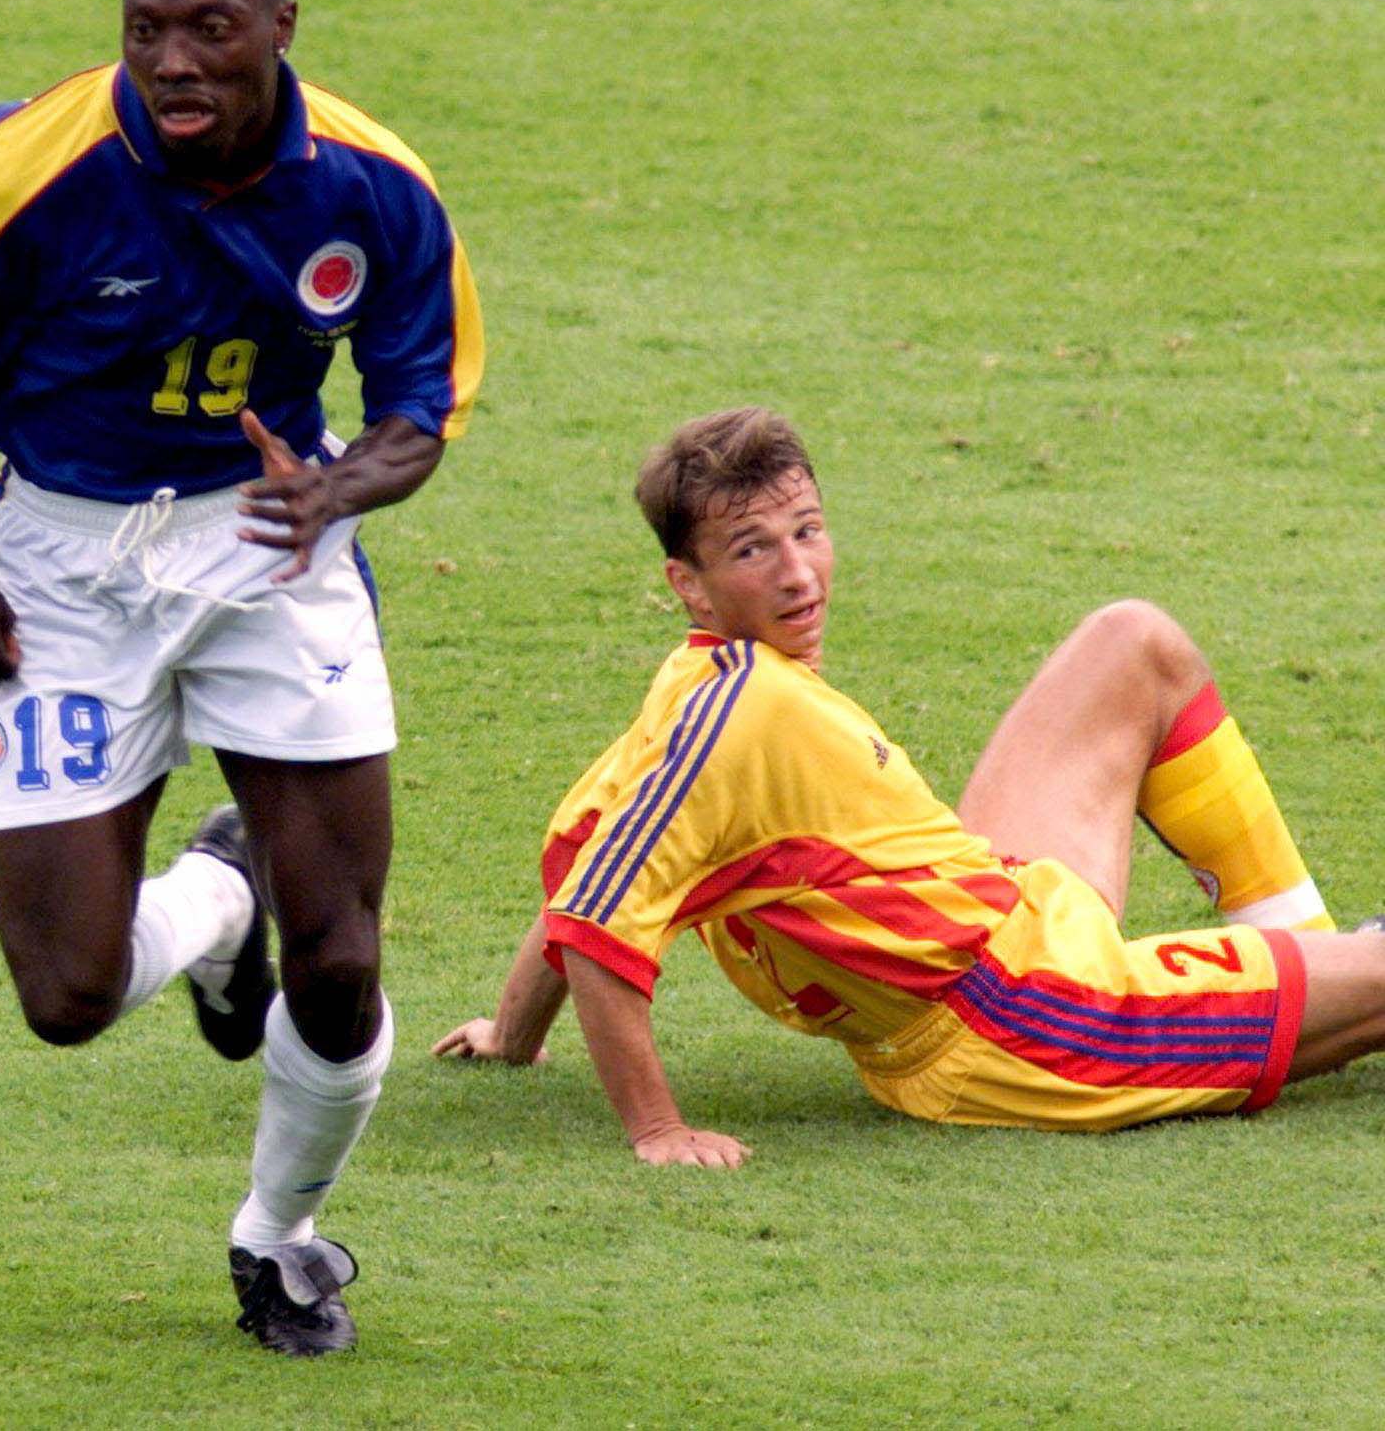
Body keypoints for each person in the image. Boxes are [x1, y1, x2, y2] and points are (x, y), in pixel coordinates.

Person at [0, 0, 483, 1352]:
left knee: (342, 959)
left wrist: (334, 491)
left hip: (270, 534)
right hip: (62, 565)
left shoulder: (375, 187)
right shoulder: (23, 171)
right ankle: (218, 899)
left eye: (211, 28)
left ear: (280, 27)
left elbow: (420, 408)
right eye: (147, 32)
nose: (176, 62)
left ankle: (281, 1238)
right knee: (66, 995)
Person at [433, 407, 1385, 1163]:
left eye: (808, 531)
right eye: (754, 550)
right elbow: (595, 922)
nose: (801, 575)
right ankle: (1335, 976)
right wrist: (656, 1129)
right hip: (1032, 1026)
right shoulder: (735, 718)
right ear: (689, 584)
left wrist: (512, 1036)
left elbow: (589, 870)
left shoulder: (698, 685)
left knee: (1133, 644)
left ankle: (1305, 956)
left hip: (1015, 906)